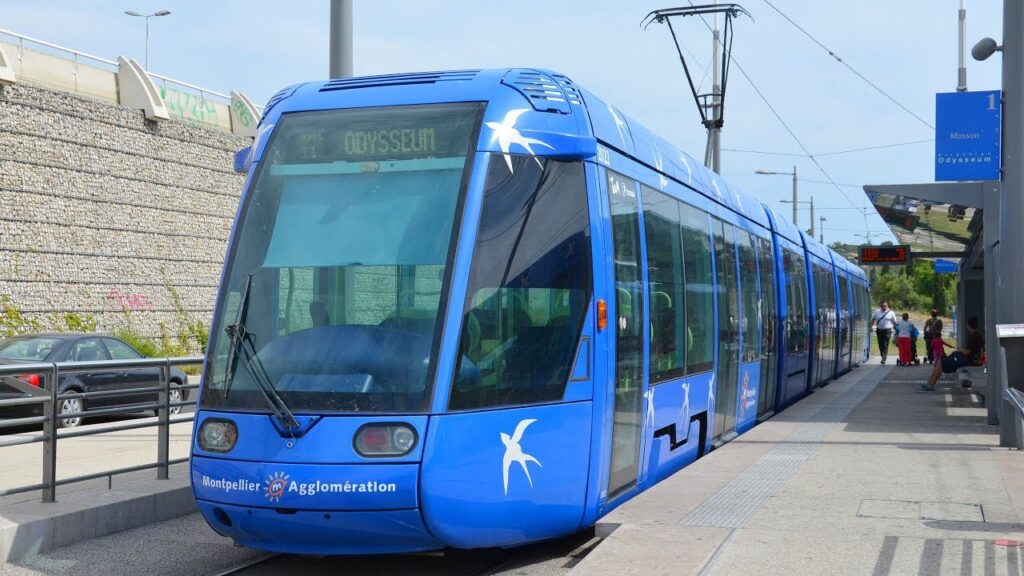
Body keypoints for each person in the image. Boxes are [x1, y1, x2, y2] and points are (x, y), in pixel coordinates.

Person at [922, 316, 985, 391]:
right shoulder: (979, 334)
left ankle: (930, 385)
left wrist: (961, 348)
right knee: (943, 360)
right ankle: (929, 384)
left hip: (967, 359)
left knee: (941, 362)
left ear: (968, 325)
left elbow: (966, 352)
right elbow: (981, 349)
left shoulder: (972, 336)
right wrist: (979, 359)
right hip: (970, 359)